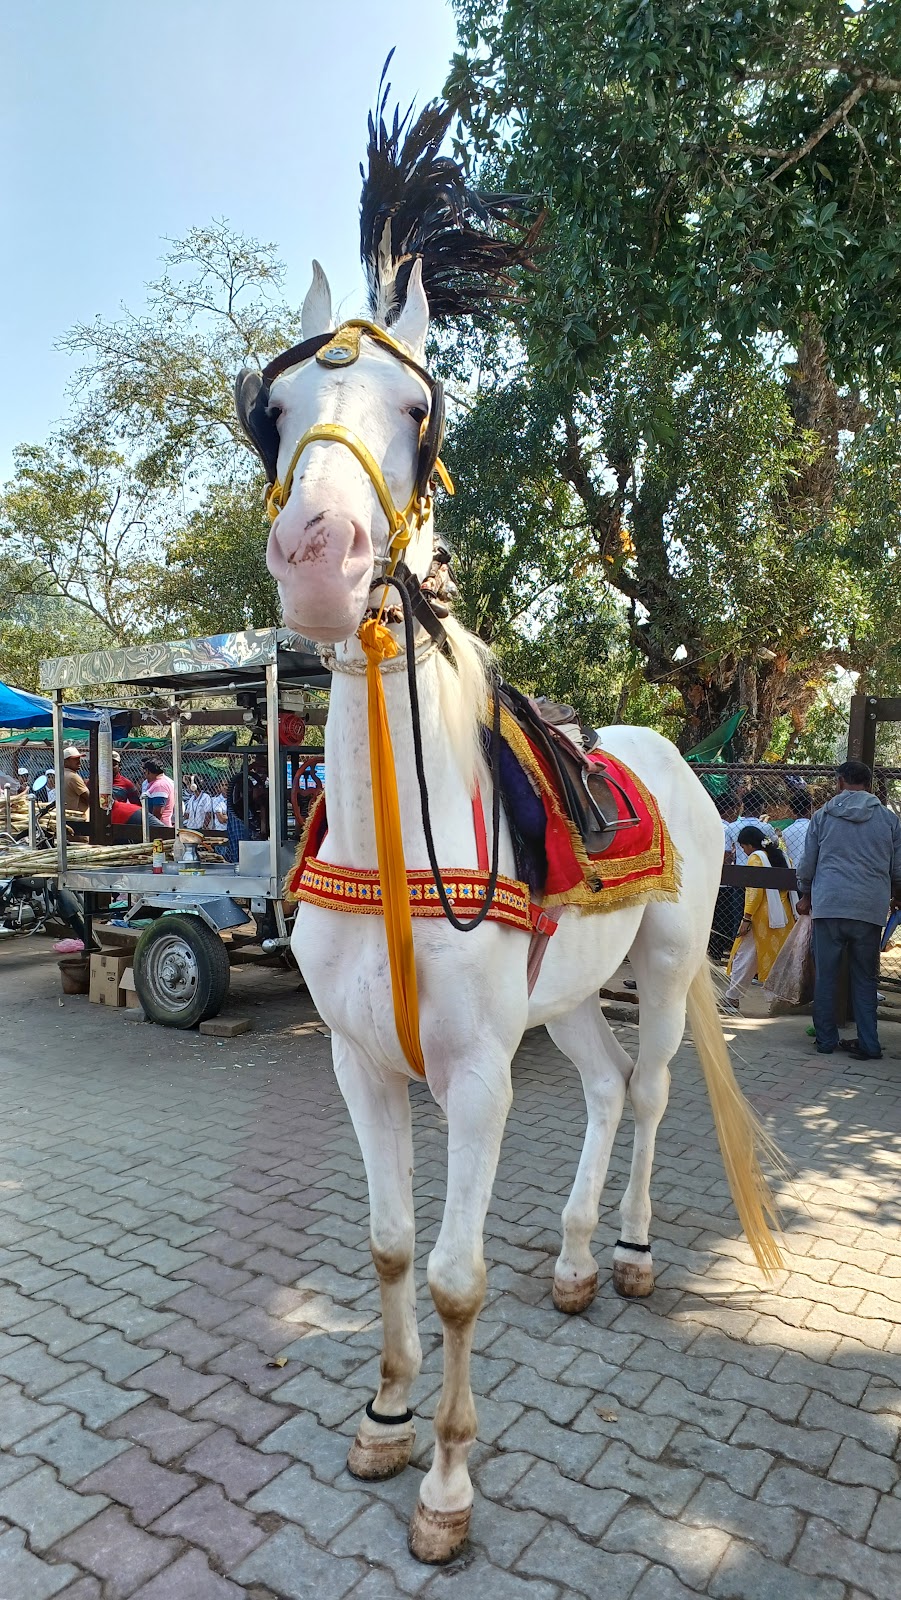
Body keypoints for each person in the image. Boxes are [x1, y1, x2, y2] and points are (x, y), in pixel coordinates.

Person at [796, 760, 901, 1061]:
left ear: (839, 782)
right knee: (866, 978)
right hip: (869, 908)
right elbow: (898, 870)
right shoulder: (889, 821)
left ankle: (826, 1040)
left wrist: (806, 894)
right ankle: (869, 1043)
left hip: (829, 906)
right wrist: (896, 896)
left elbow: (807, 865)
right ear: (868, 785)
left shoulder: (822, 817)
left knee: (826, 975)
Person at [721, 825, 796, 1014]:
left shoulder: (757, 858)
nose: (744, 851)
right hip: (783, 916)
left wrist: (746, 918)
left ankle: (732, 998)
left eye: (743, 847)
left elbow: (753, 892)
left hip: (762, 917)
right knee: (777, 959)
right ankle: (779, 1002)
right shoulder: (783, 856)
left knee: (743, 956)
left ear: (749, 844)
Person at [140, 758, 176, 827]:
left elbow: (158, 812)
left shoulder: (159, 786)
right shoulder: (158, 783)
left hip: (159, 829)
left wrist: (151, 827)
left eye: (144, 772)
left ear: (147, 771)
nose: (144, 775)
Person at [781, 791, 813, 865]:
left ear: (793, 810)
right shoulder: (815, 828)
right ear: (810, 807)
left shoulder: (785, 832)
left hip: (791, 871)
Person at [62, 746, 90, 814]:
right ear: (65, 762)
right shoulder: (73, 777)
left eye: (78, 758)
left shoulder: (61, 774)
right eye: (75, 759)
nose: (78, 761)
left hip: (66, 815)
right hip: (77, 816)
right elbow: (89, 797)